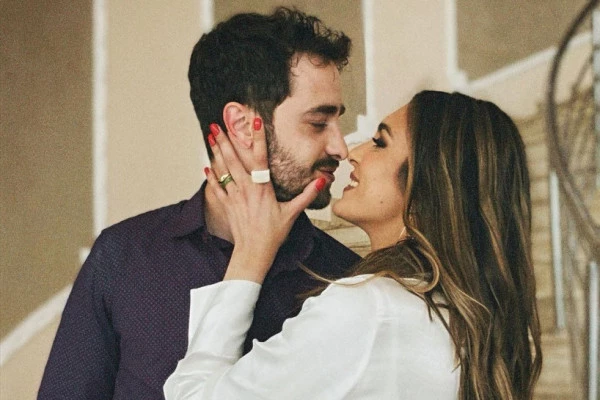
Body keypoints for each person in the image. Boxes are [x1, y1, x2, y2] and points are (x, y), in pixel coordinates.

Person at [38, 8, 360, 399]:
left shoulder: (347, 280)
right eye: (318, 123)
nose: (340, 147)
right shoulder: (124, 256)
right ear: (242, 126)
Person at [163, 90, 543, 399]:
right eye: (317, 123)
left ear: (427, 188)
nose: (351, 152)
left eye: (379, 143)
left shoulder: (369, 311)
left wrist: (250, 255)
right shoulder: (473, 323)